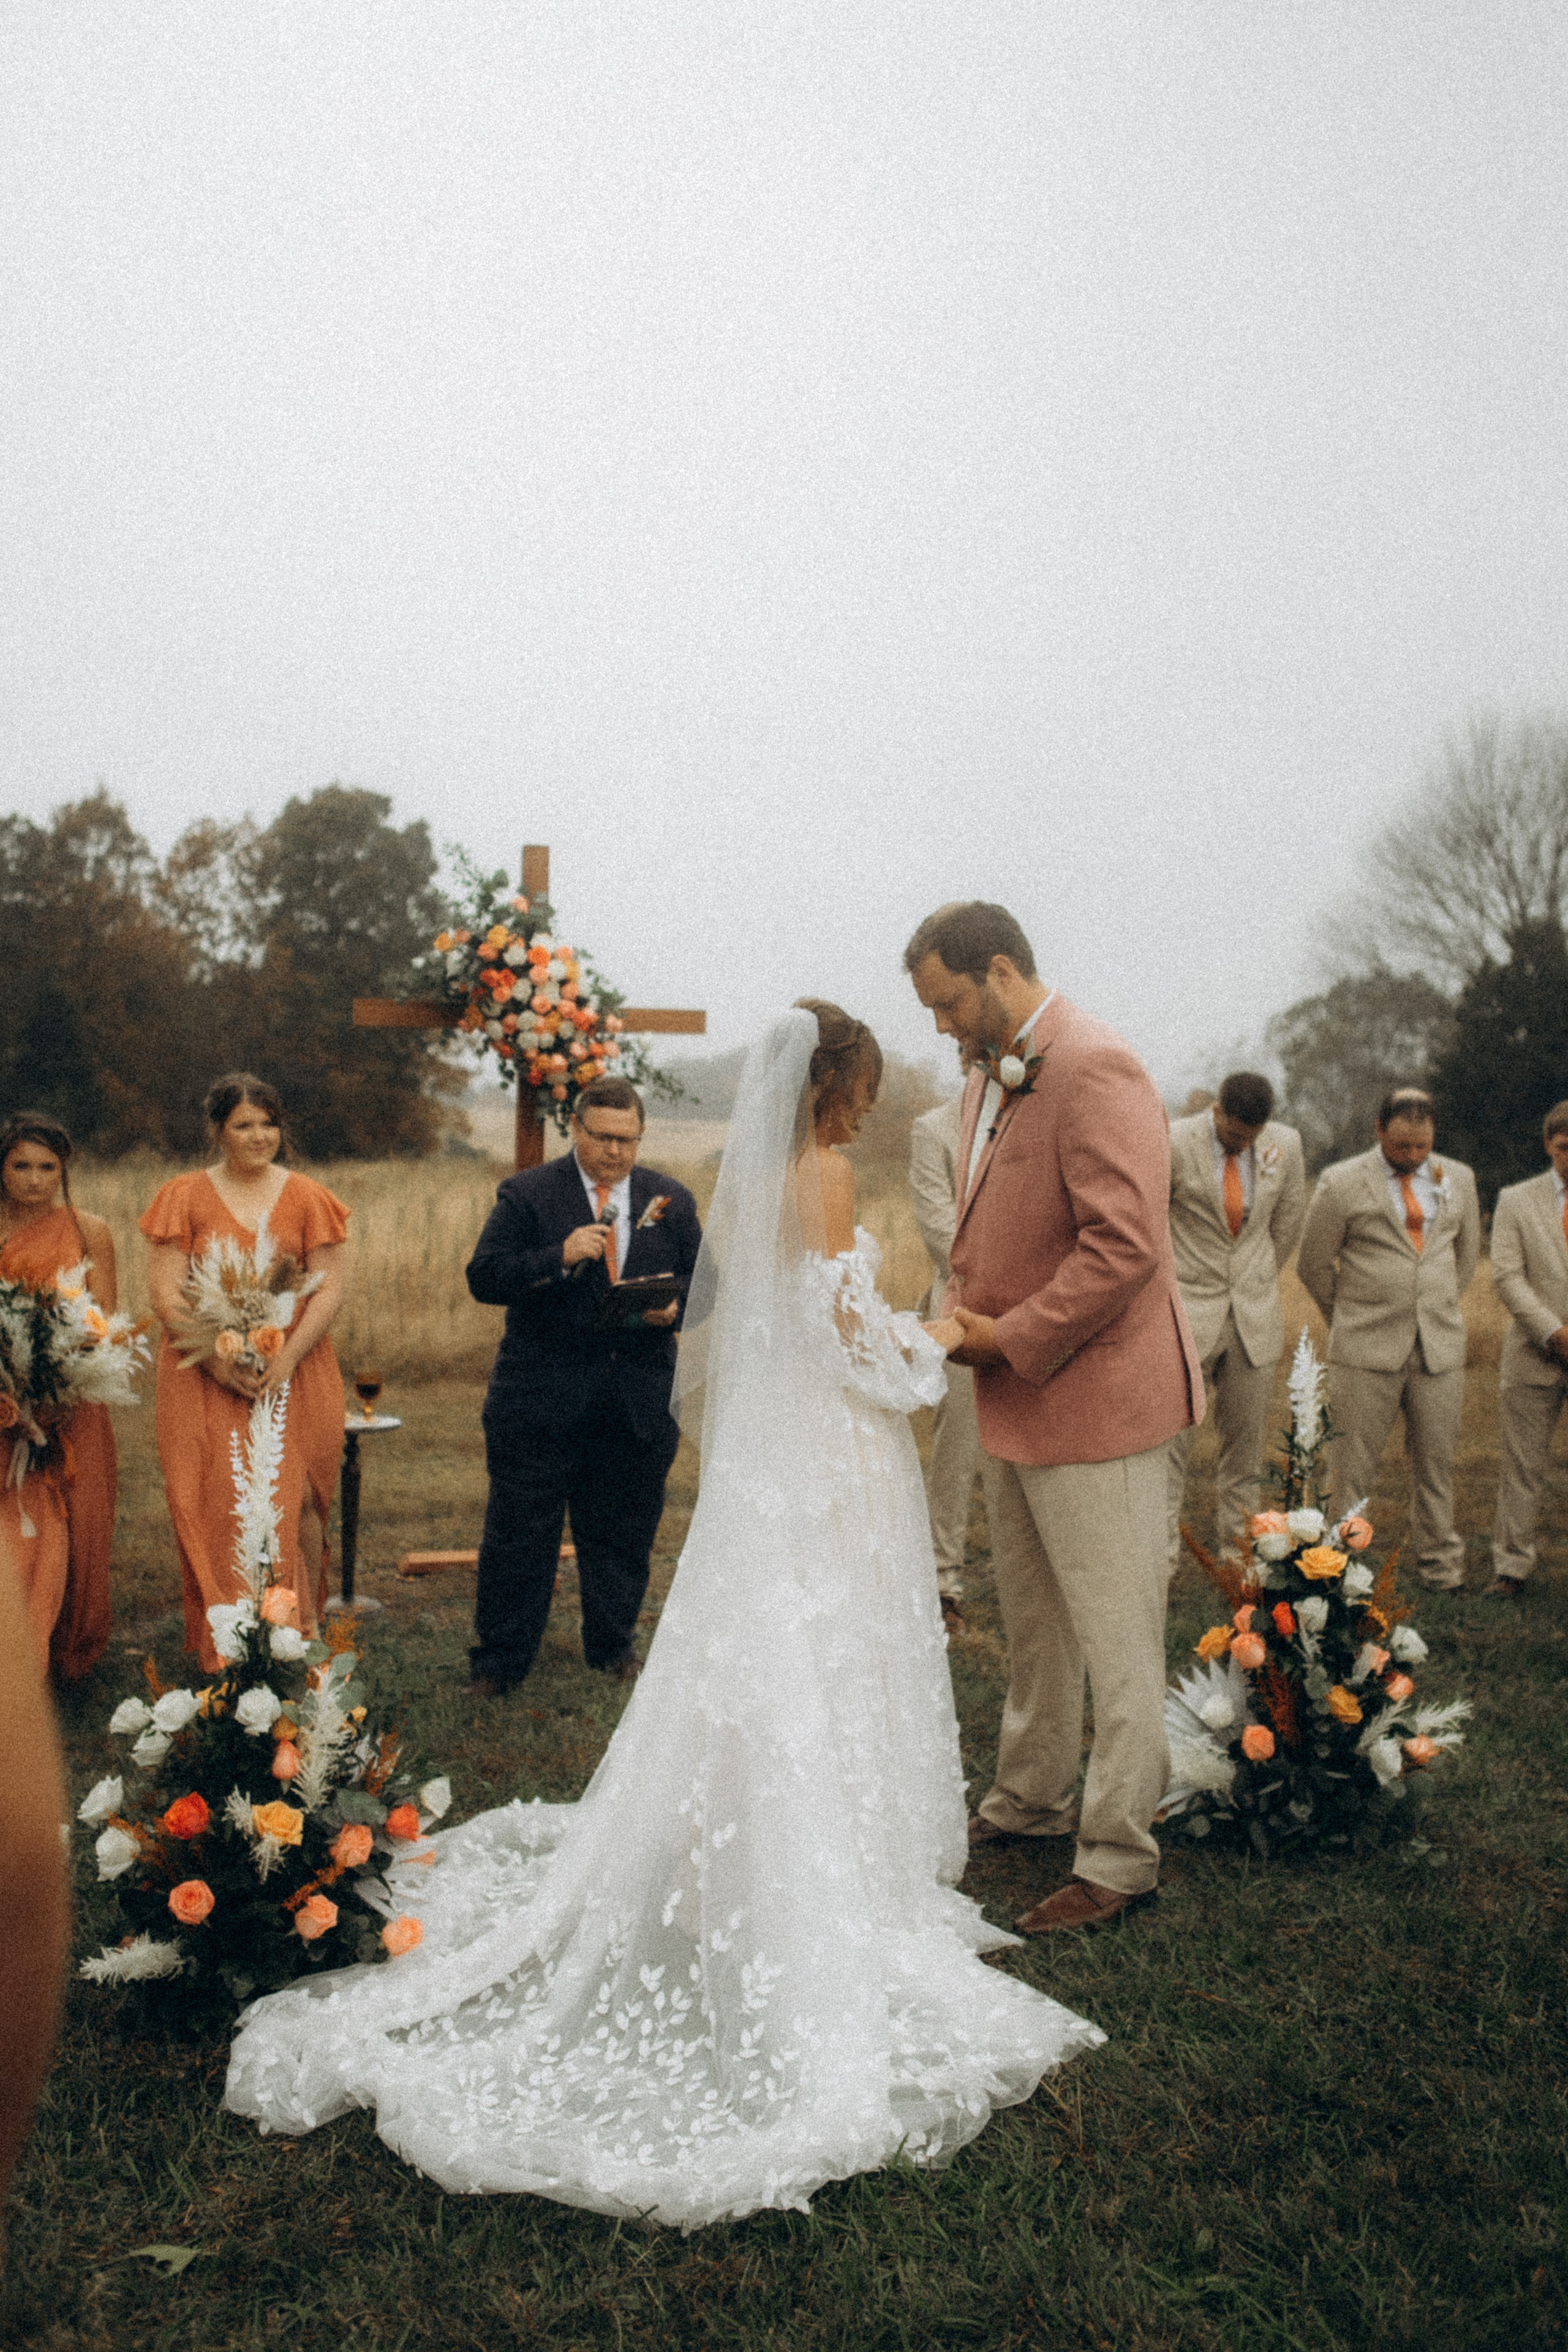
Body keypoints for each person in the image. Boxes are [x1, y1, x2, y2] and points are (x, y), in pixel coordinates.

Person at [225, 1005, 1103, 2225]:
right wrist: (939, 1339)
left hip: (766, 1464)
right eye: (855, 1087)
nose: (859, 1106)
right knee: (822, 1652)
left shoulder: (739, 1190)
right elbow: (846, 1338)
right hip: (828, 1456)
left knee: (756, 1655)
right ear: (831, 1090)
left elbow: (759, 1322)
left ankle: (725, 1854)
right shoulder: (826, 1175)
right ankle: (813, 1871)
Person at [907, 902, 1201, 1934]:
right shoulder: (996, 1071)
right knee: (1034, 1627)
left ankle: (1119, 1857)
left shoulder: (1094, 1065)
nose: (942, 1027)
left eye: (947, 1004)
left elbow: (1124, 1249)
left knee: (1116, 1640)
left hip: (1099, 1402)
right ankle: (1031, 1799)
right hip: (1016, 1398)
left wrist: (1009, 1336)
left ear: (997, 971)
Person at [462, 1076, 703, 1695]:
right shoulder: (528, 1195)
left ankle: (613, 1647)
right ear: (576, 1127)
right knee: (520, 1534)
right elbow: (484, 1277)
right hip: (540, 1397)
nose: (616, 1152)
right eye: (603, 1137)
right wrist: (558, 1257)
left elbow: (709, 1288)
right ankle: (500, 1663)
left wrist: (673, 1311)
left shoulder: (668, 1199)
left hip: (636, 1400)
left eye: (628, 1139)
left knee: (623, 1531)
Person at [141, 1075, 349, 1672]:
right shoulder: (183, 1195)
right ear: (217, 1131)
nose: (260, 1137)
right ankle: (229, 1638)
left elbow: (328, 1289)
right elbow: (165, 1293)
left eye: (268, 1123)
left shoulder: (309, 1196)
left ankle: (302, 1631)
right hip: (202, 1369)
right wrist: (217, 1359)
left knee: (301, 1498)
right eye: (243, 1125)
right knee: (215, 1494)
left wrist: (284, 1358)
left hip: (299, 1367)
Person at [1297, 1087, 1480, 1591]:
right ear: (1379, 1131)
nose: (1413, 1157)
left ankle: (1440, 1568)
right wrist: (1351, 1316)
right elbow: (1313, 1263)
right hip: (1363, 1349)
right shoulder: (1340, 1183)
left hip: (1437, 1346)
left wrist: (1432, 1303)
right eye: (1402, 1147)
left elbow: (1465, 1258)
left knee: (1436, 1466)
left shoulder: (1459, 1178)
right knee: (1350, 1468)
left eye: (1422, 1147)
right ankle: (1339, 1569)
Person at [1164, 1073, 1306, 1569]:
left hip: (1253, 1316)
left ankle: (1238, 1554)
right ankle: (1160, 1556)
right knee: (1170, 1448)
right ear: (1218, 1110)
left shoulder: (1286, 1146)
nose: (1242, 1144)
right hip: (1186, 1311)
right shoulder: (1174, 1140)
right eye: (1234, 1134)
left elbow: (1287, 1223)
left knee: (1244, 1452)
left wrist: (1256, 1278)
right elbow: (1154, 1222)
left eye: (1251, 1137)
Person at [0, 1110, 119, 1678]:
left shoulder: (88, 1230)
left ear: (63, 1169)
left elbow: (105, 1323)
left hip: (75, 1401)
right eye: (20, 1165)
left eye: (48, 1167)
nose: (34, 1179)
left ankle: (70, 1652)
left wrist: (65, 1389)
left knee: (80, 1519)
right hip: (5, 1406)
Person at [908, 1066, 981, 1637]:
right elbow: (943, 1236)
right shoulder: (933, 1131)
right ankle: (942, 1582)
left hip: (1037, 1315)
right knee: (956, 1452)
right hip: (958, 1310)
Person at [1486, 1098, 1568, 1600]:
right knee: (1522, 1467)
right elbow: (1507, 1276)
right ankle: (1510, 1568)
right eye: (1564, 1149)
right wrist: (1554, 1333)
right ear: (1548, 1145)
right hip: (1534, 1355)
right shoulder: (1517, 1200)